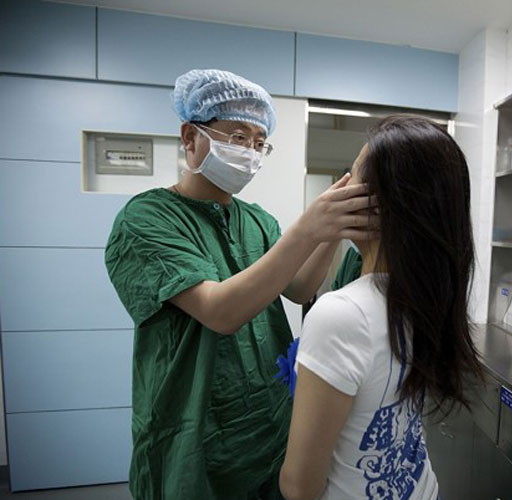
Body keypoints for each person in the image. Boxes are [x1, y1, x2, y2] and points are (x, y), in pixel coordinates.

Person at [104, 69, 377, 500]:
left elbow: (300, 289)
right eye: (236, 136)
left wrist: (332, 230)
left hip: (266, 422)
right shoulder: (146, 219)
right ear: (190, 137)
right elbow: (220, 311)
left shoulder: (257, 220)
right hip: (193, 430)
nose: (249, 152)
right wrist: (307, 229)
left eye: (257, 142)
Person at [279, 115, 486, 500]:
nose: (339, 190)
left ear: (373, 205)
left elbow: (298, 486)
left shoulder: (340, 313)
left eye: (351, 178)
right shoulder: (430, 296)